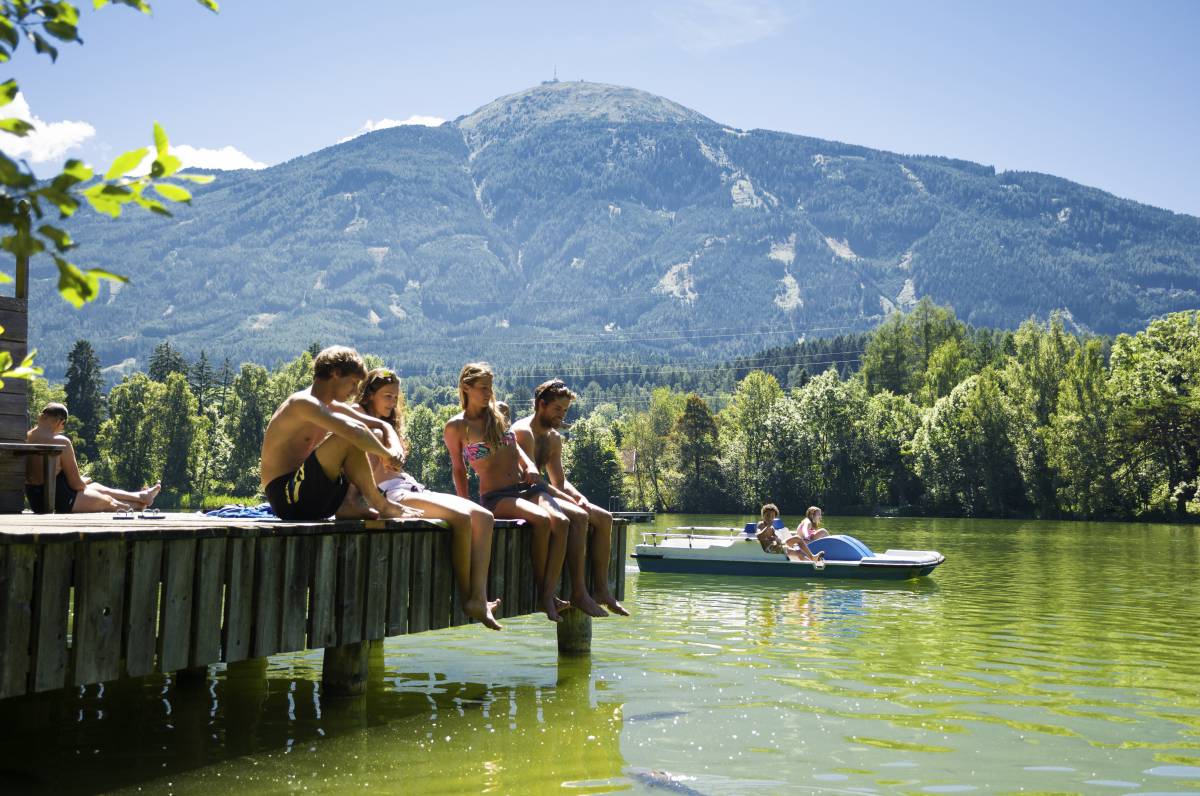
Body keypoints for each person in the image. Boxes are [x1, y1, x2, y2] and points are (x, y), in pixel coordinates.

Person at [355, 368, 501, 630]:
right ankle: (469, 596)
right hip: (390, 492)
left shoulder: (388, 425)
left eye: (395, 397)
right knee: (462, 518)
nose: (392, 403)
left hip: (411, 487)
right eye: (387, 396)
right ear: (368, 396)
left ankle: (479, 596)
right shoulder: (359, 423)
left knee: (484, 516)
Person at [444, 363, 570, 622]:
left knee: (562, 520)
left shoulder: (497, 416)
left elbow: (516, 448)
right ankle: (543, 593)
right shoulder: (457, 426)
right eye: (483, 388)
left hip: (522, 489)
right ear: (466, 388)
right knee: (543, 520)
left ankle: (549, 593)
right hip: (496, 498)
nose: (488, 393)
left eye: (490, 387)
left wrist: (530, 465)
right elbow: (458, 470)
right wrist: (464, 505)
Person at [260, 346, 420, 522]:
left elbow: (380, 425)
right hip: (286, 497)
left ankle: (349, 505)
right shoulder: (302, 403)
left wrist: (394, 449)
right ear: (335, 373)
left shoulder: (330, 405)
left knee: (371, 434)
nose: (354, 391)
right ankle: (381, 504)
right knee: (347, 437)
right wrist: (386, 455)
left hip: (313, 495)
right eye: (353, 383)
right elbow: (354, 432)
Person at [512, 379, 629, 617]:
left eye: (565, 410)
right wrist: (572, 502)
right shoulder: (523, 431)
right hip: (523, 493)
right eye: (557, 409)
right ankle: (578, 591)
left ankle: (602, 590)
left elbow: (560, 481)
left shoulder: (554, 438)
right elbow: (532, 480)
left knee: (605, 518)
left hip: (544, 492)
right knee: (577, 516)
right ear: (541, 404)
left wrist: (579, 496)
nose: (561, 415)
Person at [25, 402, 162, 513]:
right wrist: (83, 482)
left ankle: (141, 497)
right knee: (108, 500)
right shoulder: (61, 442)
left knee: (95, 486)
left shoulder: (26, 437)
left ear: (41, 416)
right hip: (58, 500)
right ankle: (138, 503)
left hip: (35, 500)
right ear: (61, 422)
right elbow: (76, 484)